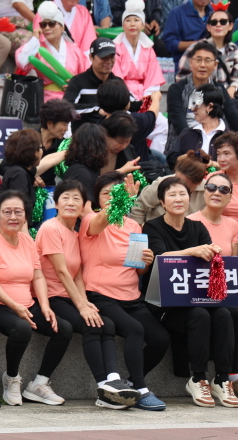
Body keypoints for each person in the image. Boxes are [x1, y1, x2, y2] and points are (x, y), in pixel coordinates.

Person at [40, 180, 142, 408]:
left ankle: (113, 381)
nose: (70, 202)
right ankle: (104, 388)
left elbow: (77, 274)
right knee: (92, 324)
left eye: (77, 198)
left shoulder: (74, 232)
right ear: (55, 203)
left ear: (85, 204)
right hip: (51, 296)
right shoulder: (50, 228)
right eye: (65, 197)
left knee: (105, 322)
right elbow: (61, 272)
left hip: (69, 295)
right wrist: (83, 307)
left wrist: (84, 302)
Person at [143, 176, 238, 407]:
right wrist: (194, 251)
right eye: (172, 195)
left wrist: (212, 252)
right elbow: (160, 258)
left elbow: (207, 261)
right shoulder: (153, 226)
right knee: (199, 315)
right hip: (164, 303)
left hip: (197, 298)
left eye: (183, 194)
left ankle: (222, 379)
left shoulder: (198, 227)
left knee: (225, 314)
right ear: (162, 202)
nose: (179, 199)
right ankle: (197, 378)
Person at [81, 172, 170, 411]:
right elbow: (103, 220)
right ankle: (141, 389)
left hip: (131, 296)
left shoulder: (133, 225)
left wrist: (146, 262)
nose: (112, 197)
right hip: (101, 294)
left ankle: (130, 382)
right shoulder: (91, 220)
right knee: (135, 329)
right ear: (97, 198)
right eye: (107, 193)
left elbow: (136, 270)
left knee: (161, 339)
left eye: (117, 192)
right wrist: (123, 199)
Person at [0, 190, 72, 406]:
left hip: (27, 303)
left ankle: (39, 383)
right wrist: (15, 306)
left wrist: (45, 306)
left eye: (18, 212)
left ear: (26, 215)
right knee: (21, 328)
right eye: (7, 212)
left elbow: (38, 275)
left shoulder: (28, 241)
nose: (13, 217)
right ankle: (11, 379)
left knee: (63, 328)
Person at [185, 171, 238, 403]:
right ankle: (229, 375)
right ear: (204, 191)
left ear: (231, 197)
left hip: (223, 291)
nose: (217, 193)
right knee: (234, 315)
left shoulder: (234, 225)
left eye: (224, 190)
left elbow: (234, 263)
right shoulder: (190, 221)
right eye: (212, 188)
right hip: (198, 292)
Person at [165, 41, 238, 154]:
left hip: (216, 145)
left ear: (215, 65)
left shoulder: (219, 89)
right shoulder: (177, 89)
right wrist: (194, 146)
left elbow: (233, 116)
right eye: (198, 60)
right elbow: (179, 123)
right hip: (184, 146)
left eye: (207, 60)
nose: (202, 65)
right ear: (191, 62)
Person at [14, 0, 89, 103]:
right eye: (43, 25)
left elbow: (86, 74)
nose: (47, 28)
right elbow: (22, 62)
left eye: (52, 24)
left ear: (62, 27)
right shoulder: (37, 48)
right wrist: (35, 38)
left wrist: (76, 84)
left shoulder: (75, 50)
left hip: (72, 98)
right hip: (47, 99)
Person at [177, 6, 238, 100]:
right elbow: (181, 77)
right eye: (214, 22)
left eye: (223, 22)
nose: (218, 25)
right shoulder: (195, 48)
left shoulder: (234, 51)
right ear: (208, 27)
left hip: (225, 99)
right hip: (199, 98)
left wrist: (233, 88)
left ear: (230, 26)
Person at [128, 151, 209, 225]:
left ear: (198, 183)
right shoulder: (162, 183)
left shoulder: (208, 190)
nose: (177, 183)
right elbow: (139, 207)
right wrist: (138, 232)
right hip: (156, 233)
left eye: (183, 183)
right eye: (176, 177)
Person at [112, 0, 164, 109]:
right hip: (122, 99)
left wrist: (146, 101)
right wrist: (131, 101)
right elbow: (116, 79)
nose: (132, 24)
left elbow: (153, 78)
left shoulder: (148, 49)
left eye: (136, 20)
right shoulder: (115, 48)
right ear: (122, 25)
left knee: (162, 124)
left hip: (145, 97)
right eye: (128, 20)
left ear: (142, 25)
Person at [166, 84, 227, 168]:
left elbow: (236, 165)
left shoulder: (229, 137)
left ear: (210, 107)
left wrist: (214, 165)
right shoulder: (187, 133)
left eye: (196, 104)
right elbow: (171, 158)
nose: (192, 109)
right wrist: (182, 159)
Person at [62, 38, 118, 128]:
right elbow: (65, 109)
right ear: (91, 57)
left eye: (111, 57)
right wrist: (96, 108)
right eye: (103, 57)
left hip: (111, 137)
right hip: (84, 138)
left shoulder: (118, 83)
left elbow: (133, 104)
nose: (108, 61)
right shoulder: (78, 82)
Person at [163, 0, 215, 66]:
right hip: (184, 63)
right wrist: (197, 45)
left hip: (212, 63)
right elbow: (170, 44)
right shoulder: (177, 13)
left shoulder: (216, 13)